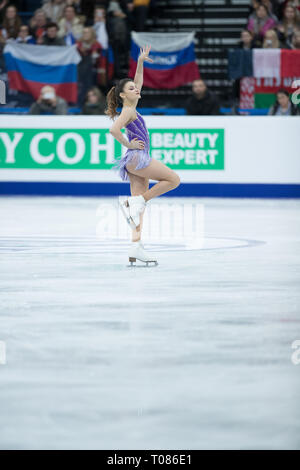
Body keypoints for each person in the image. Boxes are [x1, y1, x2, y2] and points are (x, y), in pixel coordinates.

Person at [105, 45, 180, 266]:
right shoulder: (128, 110)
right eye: (131, 89)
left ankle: (136, 246)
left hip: (133, 162)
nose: (136, 89)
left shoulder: (132, 105)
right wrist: (128, 143)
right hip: (138, 158)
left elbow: (138, 82)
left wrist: (140, 62)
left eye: (135, 88)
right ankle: (136, 202)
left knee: (138, 213)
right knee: (173, 180)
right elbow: (113, 130)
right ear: (122, 95)